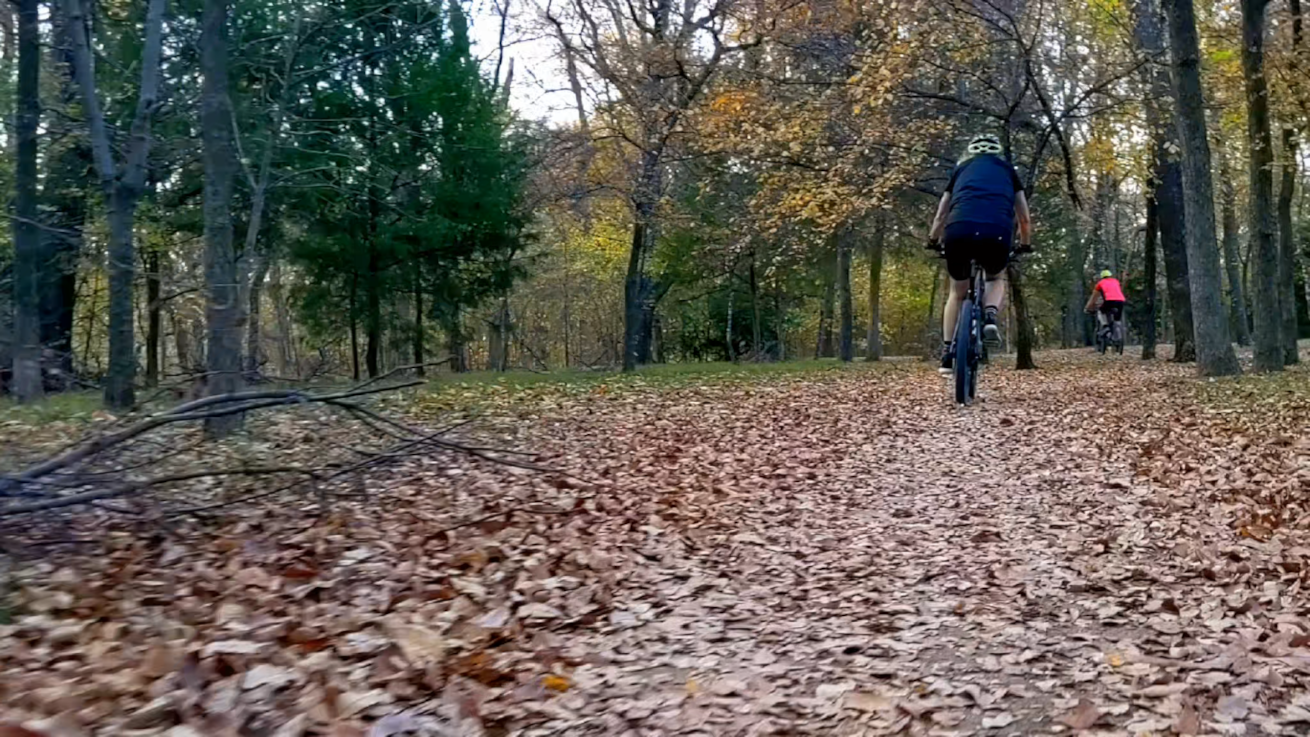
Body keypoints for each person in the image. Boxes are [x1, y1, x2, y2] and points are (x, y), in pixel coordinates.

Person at [928, 133, 1033, 372]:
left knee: (957, 293)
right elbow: (1024, 217)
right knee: (995, 277)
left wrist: (933, 239)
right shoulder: (1008, 171)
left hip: (959, 230)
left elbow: (940, 214)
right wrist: (1025, 243)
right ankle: (990, 317)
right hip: (996, 231)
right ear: (997, 152)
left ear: (971, 152)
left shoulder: (960, 170)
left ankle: (947, 355)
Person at [1085, 269, 1126, 338]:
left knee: (1101, 311)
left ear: (1102, 277)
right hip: (1120, 301)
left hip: (1109, 301)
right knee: (1117, 319)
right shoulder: (1116, 282)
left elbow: (1094, 297)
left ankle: (1105, 326)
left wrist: (1088, 307)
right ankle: (1118, 331)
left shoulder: (1100, 283)